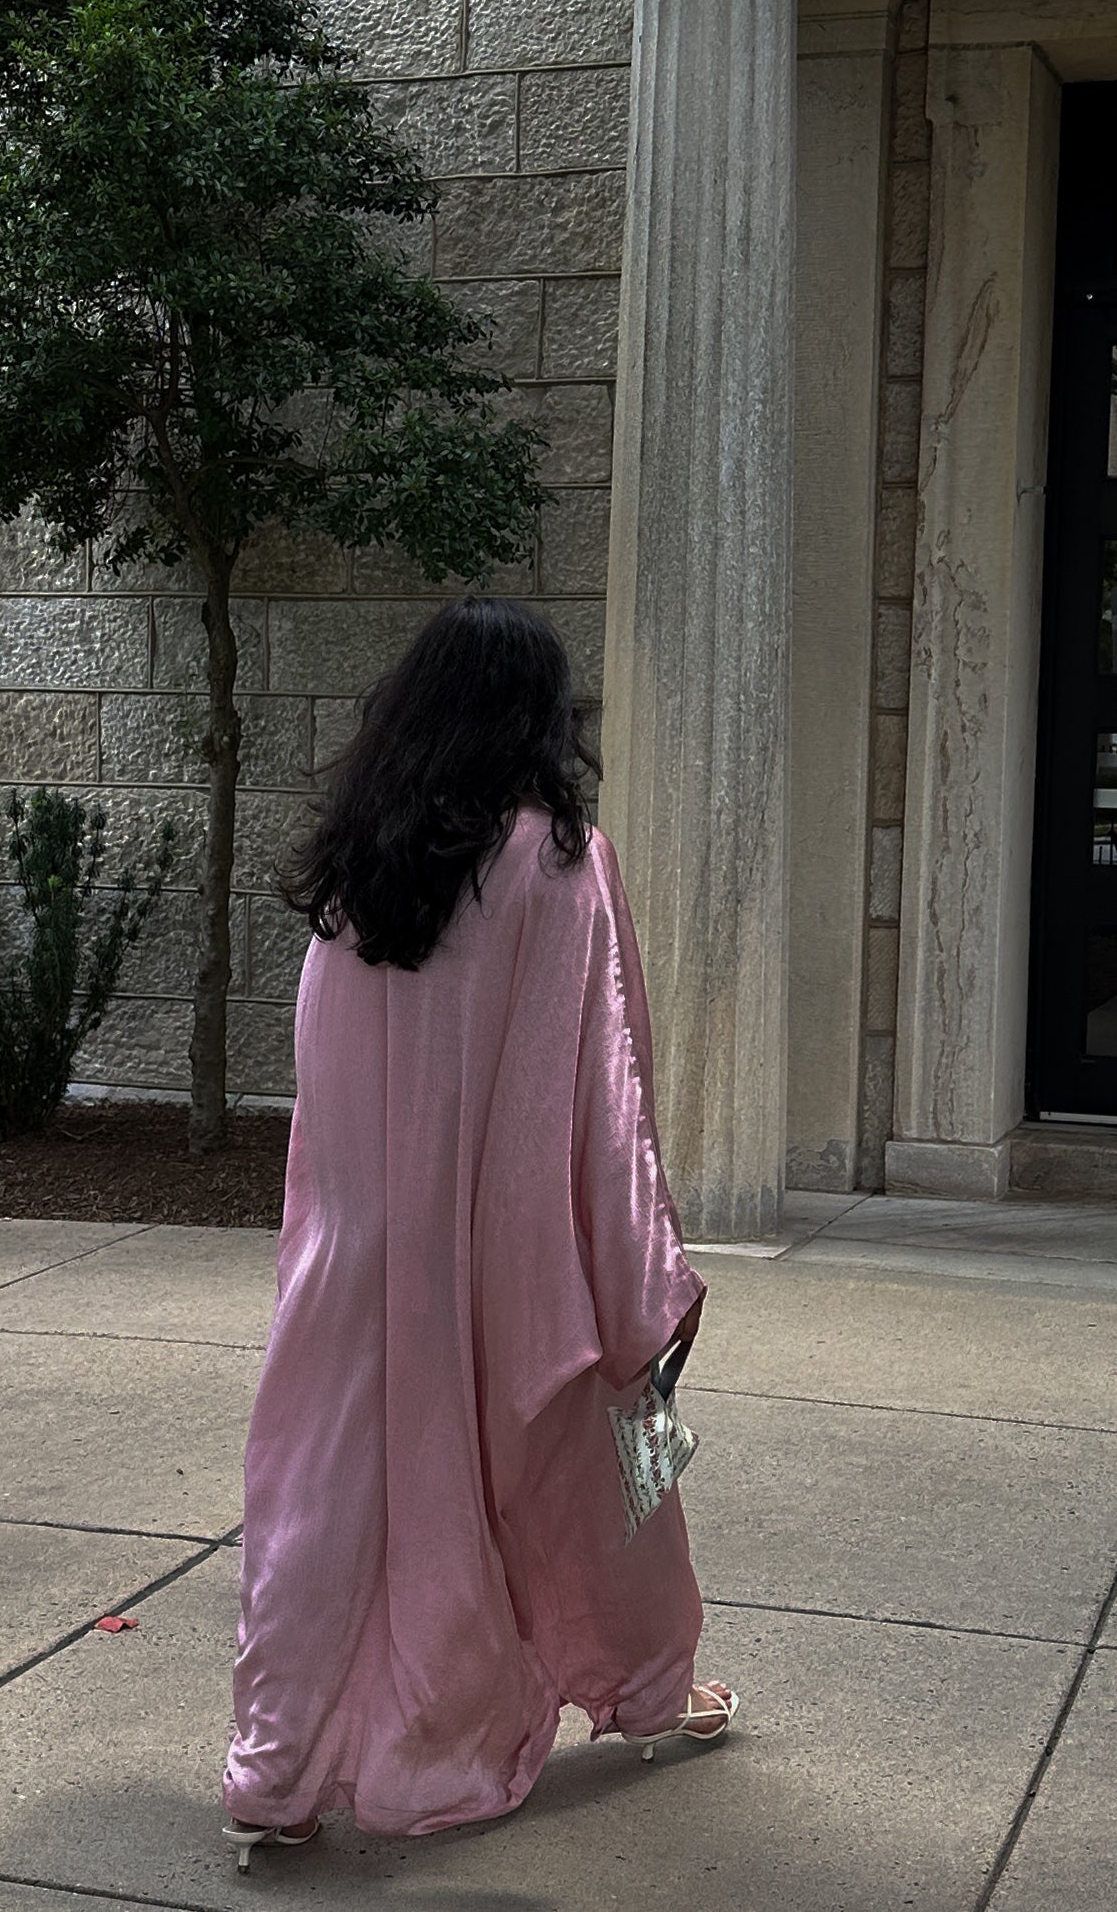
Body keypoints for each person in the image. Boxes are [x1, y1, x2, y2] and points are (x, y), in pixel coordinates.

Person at [221, 596, 736, 1870]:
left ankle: (273, 1772)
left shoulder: (355, 865)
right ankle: (649, 1689)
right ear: (534, 720)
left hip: (352, 1251)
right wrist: (641, 1270)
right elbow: (600, 1086)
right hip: (512, 1261)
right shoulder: (554, 858)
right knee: (600, 1473)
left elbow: (319, 1077)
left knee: (319, 1506)